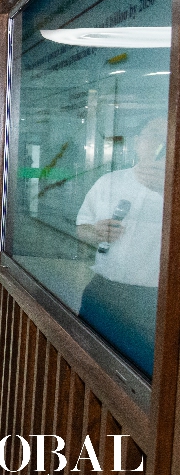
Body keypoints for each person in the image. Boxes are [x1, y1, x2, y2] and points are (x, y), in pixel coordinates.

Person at [75, 117, 166, 377]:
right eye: (152, 135)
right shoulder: (109, 182)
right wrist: (96, 232)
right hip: (103, 290)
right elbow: (82, 228)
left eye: (166, 137)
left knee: (141, 377)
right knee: (87, 365)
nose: (159, 143)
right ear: (137, 142)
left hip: (153, 301)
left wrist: (165, 190)